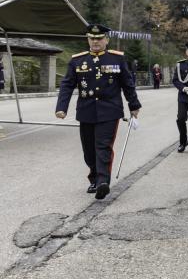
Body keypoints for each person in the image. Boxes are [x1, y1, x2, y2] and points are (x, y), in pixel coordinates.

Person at [55, 23, 141, 199]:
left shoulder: (117, 59)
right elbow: (67, 85)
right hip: (86, 110)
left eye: (99, 38)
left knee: (103, 146)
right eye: (92, 38)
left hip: (110, 110)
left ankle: (103, 181)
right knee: (89, 150)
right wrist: (61, 108)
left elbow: (127, 84)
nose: (95, 41)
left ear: (106, 40)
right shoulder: (77, 60)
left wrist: (134, 105)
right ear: (88, 39)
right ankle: (94, 178)